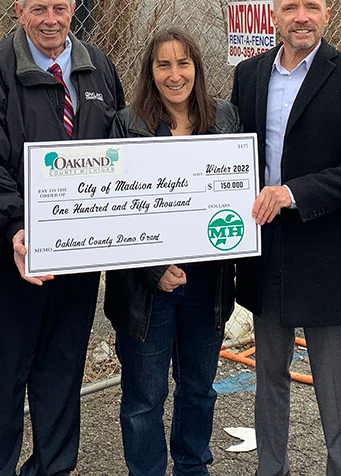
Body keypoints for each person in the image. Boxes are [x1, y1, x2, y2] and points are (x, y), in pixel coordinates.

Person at [0, 0, 125, 476]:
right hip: (14, 257)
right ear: (19, 12)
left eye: (60, 9)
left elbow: (118, 153)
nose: (51, 20)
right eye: (38, 10)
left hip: (77, 255)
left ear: (73, 11)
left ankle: (54, 467)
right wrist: (16, 228)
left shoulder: (97, 67)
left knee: (61, 370)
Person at [230, 0, 341, 476]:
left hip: (326, 251)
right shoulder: (250, 75)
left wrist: (294, 194)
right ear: (274, 17)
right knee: (268, 377)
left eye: (311, 7)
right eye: (290, 8)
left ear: (327, 15)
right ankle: (270, 469)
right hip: (265, 248)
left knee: (335, 385)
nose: (301, 16)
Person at [105, 27, 240, 476]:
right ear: (150, 71)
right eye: (163, 64)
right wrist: (153, 267)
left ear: (197, 69)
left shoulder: (225, 118)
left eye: (183, 63)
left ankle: (191, 466)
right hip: (148, 287)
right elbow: (113, 207)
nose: (174, 73)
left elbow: (235, 195)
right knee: (144, 397)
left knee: (199, 388)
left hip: (208, 280)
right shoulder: (126, 123)